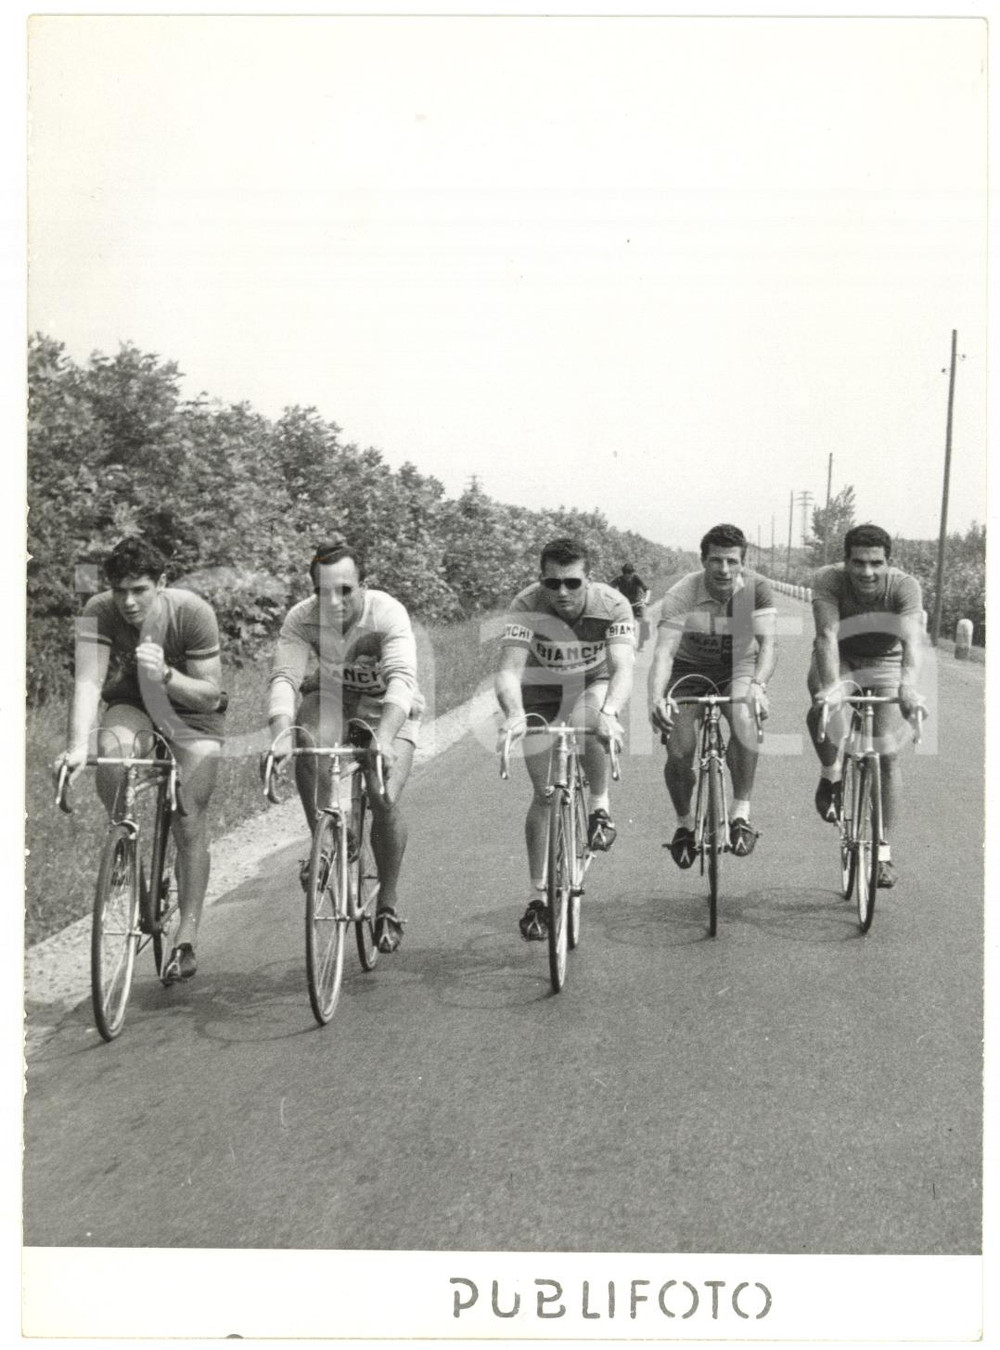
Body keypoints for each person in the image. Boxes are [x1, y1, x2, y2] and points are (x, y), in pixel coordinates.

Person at [56, 537, 226, 983]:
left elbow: (210, 696)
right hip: (133, 702)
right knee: (111, 751)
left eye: (140, 590)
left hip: (191, 712)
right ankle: (127, 852)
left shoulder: (192, 613)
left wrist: (167, 675)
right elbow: (89, 683)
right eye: (119, 590)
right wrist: (77, 747)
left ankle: (185, 938)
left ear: (162, 584)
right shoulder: (98, 610)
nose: (128, 602)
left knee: (189, 817)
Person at [266, 542, 423, 953]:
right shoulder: (300, 619)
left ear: (364, 587)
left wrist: (386, 739)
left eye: (345, 590)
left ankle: (386, 904)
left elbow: (402, 681)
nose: (333, 602)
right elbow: (285, 677)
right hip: (333, 699)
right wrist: (279, 733)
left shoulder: (386, 613)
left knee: (382, 794)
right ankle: (325, 842)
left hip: (385, 706)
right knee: (305, 738)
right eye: (323, 591)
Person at [496, 536, 635, 940]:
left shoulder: (612, 605)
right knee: (542, 794)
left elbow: (623, 667)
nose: (562, 592)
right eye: (552, 583)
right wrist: (515, 715)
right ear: (541, 581)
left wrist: (610, 713)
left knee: (589, 719)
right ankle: (538, 898)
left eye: (572, 583)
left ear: (589, 580)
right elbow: (508, 671)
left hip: (593, 681)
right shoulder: (526, 605)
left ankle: (599, 807)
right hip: (539, 686)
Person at [648, 523, 776, 864]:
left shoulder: (757, 588)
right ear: (703, 561)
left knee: (745, 719)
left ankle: (741, 813)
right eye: (716, 561)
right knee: (679, 748)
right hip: (689, 670)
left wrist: (759, 687)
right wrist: (657, 698)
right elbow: (663, 652)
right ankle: (684, 825)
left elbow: (768, 645)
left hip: (738, 667)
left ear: (742, 563)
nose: (724, 569)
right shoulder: (682, 594)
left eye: (732, 562)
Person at [806, 523, 925, 889]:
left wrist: (908, 686)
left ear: (888, 563)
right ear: (846, 562)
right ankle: (831, 775)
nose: (867, 572)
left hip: (886, 663)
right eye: (858, 563)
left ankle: (883, 851)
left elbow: (912, 644)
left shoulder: (905, 586)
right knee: (822, 710)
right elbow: (826, 636)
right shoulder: (828, 580)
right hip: (841, 656)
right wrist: (833, 688)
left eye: (876, 563)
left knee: (887, 755)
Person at [611, 562, 652, 649]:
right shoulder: (619, 580)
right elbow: (608, 589)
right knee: (619, 623)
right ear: (623, 574)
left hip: (637, 603)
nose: (628, 577)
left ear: (632, 573)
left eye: (630, 574)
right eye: (626, 574)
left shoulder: (636, 578)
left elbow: (647, 590)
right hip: (625, 604)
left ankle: (642, 643)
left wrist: (645, 600)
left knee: (645, 621)